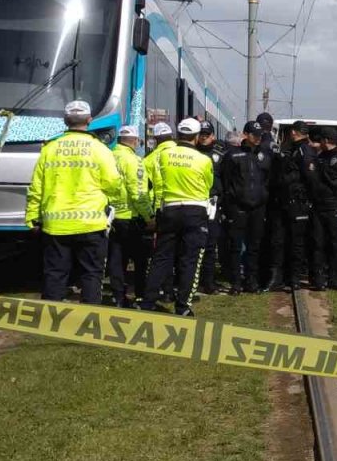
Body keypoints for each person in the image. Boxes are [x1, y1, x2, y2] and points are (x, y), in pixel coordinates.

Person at [26, 101, 123, 304]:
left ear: (65, 121)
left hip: (56, 225)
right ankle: (89, 316)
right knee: (91, 275)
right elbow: (114, 184)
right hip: (91, 223)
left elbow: (36, 187)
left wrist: (33, 218)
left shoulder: (49, 149)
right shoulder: (100, 149)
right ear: (89, 120)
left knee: (55, 274)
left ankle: (51, 315)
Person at [143, 118, 215, 315]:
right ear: (197, 136)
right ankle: (183, 306)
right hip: (195, 211)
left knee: (161, 258)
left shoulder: (164, 155)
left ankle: (148, 301)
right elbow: (208, 184)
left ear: (178, 134)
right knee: (190, 260)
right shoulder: (203, 160)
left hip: (170, 210)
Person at [220, 121, 271, 294]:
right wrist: (230, 204)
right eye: (254, 135)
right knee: (236, 246)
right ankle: (236, 282)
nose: (257, 138)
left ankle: (252, 281)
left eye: (260, 135)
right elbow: (226, 181)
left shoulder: (265, 155)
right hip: (238, 207)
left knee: (254, 246)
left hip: (258, 208)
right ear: (245, 135)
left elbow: (267, 179)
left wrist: (264, 196)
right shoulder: (233, 155)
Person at [265, 121, 316, 291]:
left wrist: (306, 199)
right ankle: (277, 277)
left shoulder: (304, 150)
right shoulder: (290, 149)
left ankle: (294, 278)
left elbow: (310, 178)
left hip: (297, 202)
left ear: (294, 132)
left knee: (296, 242)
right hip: (283, 201)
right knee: (279, 240)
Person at [106, 125, 153, 307]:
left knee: (117, 259)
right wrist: (149, 216)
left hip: (111, 216)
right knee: (140, 259)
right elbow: (138, 192)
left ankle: (118, 296)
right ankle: (140, 295)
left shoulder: (109, 156)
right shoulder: (133, 160)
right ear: (135, 141)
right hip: (131, 217)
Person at [310, 127, 337, 291]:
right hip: (319, 206)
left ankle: (334, 278)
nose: (319, 143)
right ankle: (319, 278)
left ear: (326, 140)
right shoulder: (320, 157)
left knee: (335, 243)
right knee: (318, 243)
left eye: (321, 140)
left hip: (335, 206)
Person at [197, 123, 227, 294]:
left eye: (207, 134)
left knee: (210, 244)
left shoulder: (220, 153)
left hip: (213, 204)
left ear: (213, 136)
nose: (203, 137)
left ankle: (208, 282)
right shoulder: (192, 151)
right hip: (195, 202)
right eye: (201, 134)